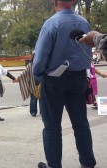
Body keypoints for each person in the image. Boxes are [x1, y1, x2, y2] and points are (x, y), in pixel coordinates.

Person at [32, 0, 96, 168]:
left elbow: (39, 59)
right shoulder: (83, 22)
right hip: (79, 78)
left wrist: (38, 76)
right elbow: (88, 51)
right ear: (74, 1)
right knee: (81, 123)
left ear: (54, 1)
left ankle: (54, 165)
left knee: (52, 127)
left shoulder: (51, 24)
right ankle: (88, 163)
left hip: (53, 80)